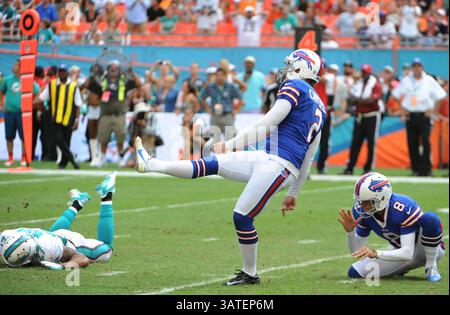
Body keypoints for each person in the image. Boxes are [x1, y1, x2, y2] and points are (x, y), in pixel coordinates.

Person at [135, 49, 326, 285]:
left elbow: (267, 123)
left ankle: (250, 273)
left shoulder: (295, 88)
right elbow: (309, 157)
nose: (285, 70)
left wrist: (231, 144)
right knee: (212, 164)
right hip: (271, 160)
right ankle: (152, 163)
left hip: (278, 165)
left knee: (242, 217)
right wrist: (294, 192)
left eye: (290, 65)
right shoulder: (321, 106)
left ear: (301, 68)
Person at [338, 172, 445, 282]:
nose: (361, 206)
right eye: (360, 201)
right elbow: (356, 251)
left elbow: (408, 253)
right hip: (400, 253)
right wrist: (350, 232)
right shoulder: (362, 213)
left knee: (430, 219)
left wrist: (376, 254)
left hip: (425, 249)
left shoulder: (402, 207)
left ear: (382, 198)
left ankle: (431, 267)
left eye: (366, 202)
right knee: (354, 272)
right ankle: (400, 269)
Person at [0, 173, 117, 269]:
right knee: (54, 233)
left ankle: (106, 196)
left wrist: (64, 266)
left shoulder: (48, 248)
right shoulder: (6, 236)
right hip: (54, 235)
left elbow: (82, 258)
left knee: (107, 249)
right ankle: (78, 203)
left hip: (74, 243)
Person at [391, 58, 447, 176]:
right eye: (415, 66)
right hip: (410, 115)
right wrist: (402, 109)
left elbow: (441, 95)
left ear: (422, 67)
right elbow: (395, 94)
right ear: (412, 68)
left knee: (426, 142)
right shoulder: (407, 80)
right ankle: (415, 169)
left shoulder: (429, 80)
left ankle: (426, 169)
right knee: (412, 142)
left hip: (424, 115)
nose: (416, 68)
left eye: (418, 66)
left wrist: (434, 110)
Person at [35, 64, 82, 170]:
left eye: (63, 72)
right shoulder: (52, 85)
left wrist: (76, 119)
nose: (61, 74)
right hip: (55, 118)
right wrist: (35, 103)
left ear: (67, 73)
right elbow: (42, 97)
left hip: (68, 118)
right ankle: (72, 159)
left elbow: (78, 104)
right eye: (60, 72)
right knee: (57, 139)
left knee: (66, 141)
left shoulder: (74, 86)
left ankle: (63, 164)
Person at [96, 60, 141, 166]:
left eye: (115, 68)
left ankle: (120, 158)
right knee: (104, 137)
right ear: (107, 69)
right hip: (105, 114)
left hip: (119, 114)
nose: (113, 70)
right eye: (111, 67)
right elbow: (93, 87)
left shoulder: (123, 81)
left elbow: (139, 84)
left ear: (119, 69)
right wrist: (95, 73)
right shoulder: (103, 80)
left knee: (120, 137)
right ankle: (102, 158)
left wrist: (132, 73)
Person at [342, 64, 383, 175]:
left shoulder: (376, 84)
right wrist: (362, 100)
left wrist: (358, 100)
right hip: (360, 116)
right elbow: (350, 98)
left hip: (371, 116)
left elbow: (372, 101)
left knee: (371, 143)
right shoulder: (358, 84)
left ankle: (368, 167)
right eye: (363, 72)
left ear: (369, 73)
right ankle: (350, 167)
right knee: (355, 142)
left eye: (366, 72)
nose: (364, 74)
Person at [0, 60, 39, 167]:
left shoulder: (27, 80)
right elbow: (1, 91)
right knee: (9, 136)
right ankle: (10, 158)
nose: (14, 66)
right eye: (14, 64)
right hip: (9, 112)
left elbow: (37, 92)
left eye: (16, 64)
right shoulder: (7, 80)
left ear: (21, 67)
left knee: (24, 137)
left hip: (22, 113)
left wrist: (32, 103)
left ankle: (23, 157)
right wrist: (2, 104)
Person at [201, 68, 241, 140]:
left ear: (225, 76)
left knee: (231, 140)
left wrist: (236, 111)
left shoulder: (230, 87)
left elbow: (240, 98)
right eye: (217, 75)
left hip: (227, 116)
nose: (219, 77)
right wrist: (208, 110)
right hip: (215, 116)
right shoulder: (211, 87)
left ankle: (231, 151)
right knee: (214, 140)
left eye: (221, 75)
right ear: (215, 76)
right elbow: (203, 98)